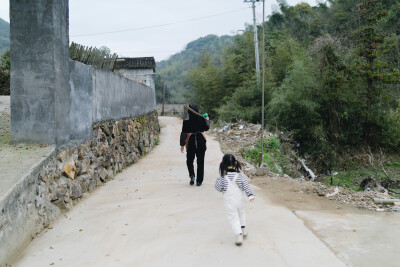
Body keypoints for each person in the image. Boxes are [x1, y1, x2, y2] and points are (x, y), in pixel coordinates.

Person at [215, 154, 255, 246]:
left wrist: (220, 185)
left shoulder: (222, 177)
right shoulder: (240, 176)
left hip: (229, 202)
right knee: (241, 213)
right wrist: (250, 196)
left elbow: (218, 187)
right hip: (239, 200)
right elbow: (246, 186)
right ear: (235, 163)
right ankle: (244, 230)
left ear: (223, 164)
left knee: (233, 217)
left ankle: (238, 235)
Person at [180, 103, 210, 186]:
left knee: (189, 160)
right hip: (200, 140)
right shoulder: (201, 118)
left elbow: (183, 132)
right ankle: (199, 181)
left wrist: (182, 145)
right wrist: (207, 119)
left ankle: (192, 175)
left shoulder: (186, 120)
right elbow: (207, 128)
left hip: (191, 141)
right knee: (200, 161)